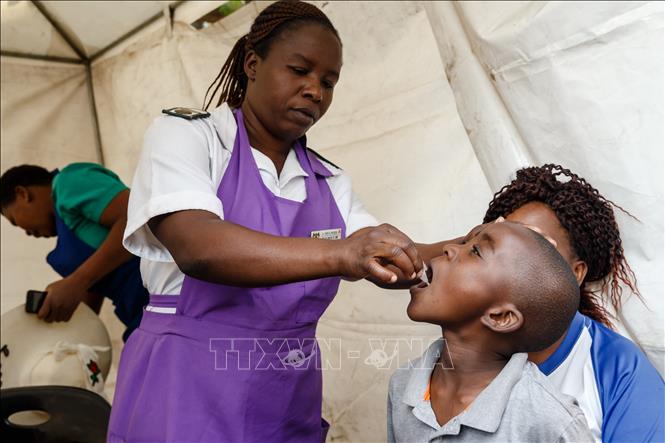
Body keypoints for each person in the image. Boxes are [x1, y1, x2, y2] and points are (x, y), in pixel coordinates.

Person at [107, 2, 425, 442]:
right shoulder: (190, 136)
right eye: (300, 70)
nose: (315, 90)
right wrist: (341, 253)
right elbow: (198, 248)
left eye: (329, 82)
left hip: (286, 394)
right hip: (185, 387)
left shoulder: (329, 181)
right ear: (252, 64)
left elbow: (383, 252)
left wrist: (476, 244)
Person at [482, 164, 664, 442]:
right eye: (501, 243)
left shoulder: (618, 369)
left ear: (576, 272)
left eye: (538, 245)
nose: (513, 260)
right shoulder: (462, 347)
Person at [388, 220, 593, 442]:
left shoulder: (552, 423)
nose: (449, 248)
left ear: (500, 317)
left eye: (475, 250)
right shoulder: (402, 385)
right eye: (467, 241)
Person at [0, 163, 149, 341]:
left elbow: (136, 219)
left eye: (15, 221)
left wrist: (76, 281)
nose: (26, 232)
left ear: (22, 194)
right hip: (142, 314)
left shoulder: (68, 183)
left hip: (169, 295)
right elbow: (91, 294)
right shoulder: (71, 229)